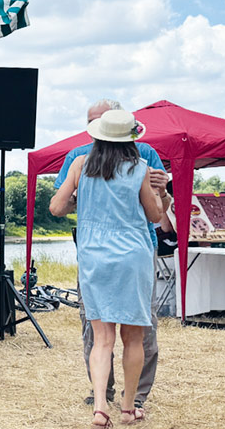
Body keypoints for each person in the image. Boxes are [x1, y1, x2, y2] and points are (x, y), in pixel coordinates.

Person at [53, 99, 170, 410]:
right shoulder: (141, 165)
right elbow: (155, 216)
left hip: (94, 253)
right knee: (135, 335)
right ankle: (130, 405)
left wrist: (85, 199)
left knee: (100, 338)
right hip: (133, 253)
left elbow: (56, 207)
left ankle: (100, 406)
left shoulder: (79, 163)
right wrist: (160, 195)